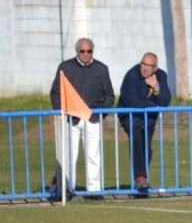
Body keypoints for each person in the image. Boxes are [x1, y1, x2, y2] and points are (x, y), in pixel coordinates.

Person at [49, 37, 114, 196]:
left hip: (92, 119)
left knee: (93, 156)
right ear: (77, 51)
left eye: (89, 51)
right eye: (82, 51)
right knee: (69, 157)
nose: (86, 54)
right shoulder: (65, 67)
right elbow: (56, 93)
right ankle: (68, 189)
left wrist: (101, 113)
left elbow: (109, 95)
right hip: (71, 119)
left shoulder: (102, 69)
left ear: (93, 51)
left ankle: (94, 190)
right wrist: (63, 111)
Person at [117, 52, 171, 191]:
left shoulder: (161, 75)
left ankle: (141, 180)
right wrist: (154, 105)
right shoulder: (132, 75)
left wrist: (157, 89)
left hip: (149, 116)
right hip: (129, 114)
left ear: (155, 68)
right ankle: (140, 178)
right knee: (136, 137)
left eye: (149, 65)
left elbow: (165, 102)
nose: (145, 68)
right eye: (143, 64)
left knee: (145, 147)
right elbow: (132, 101)